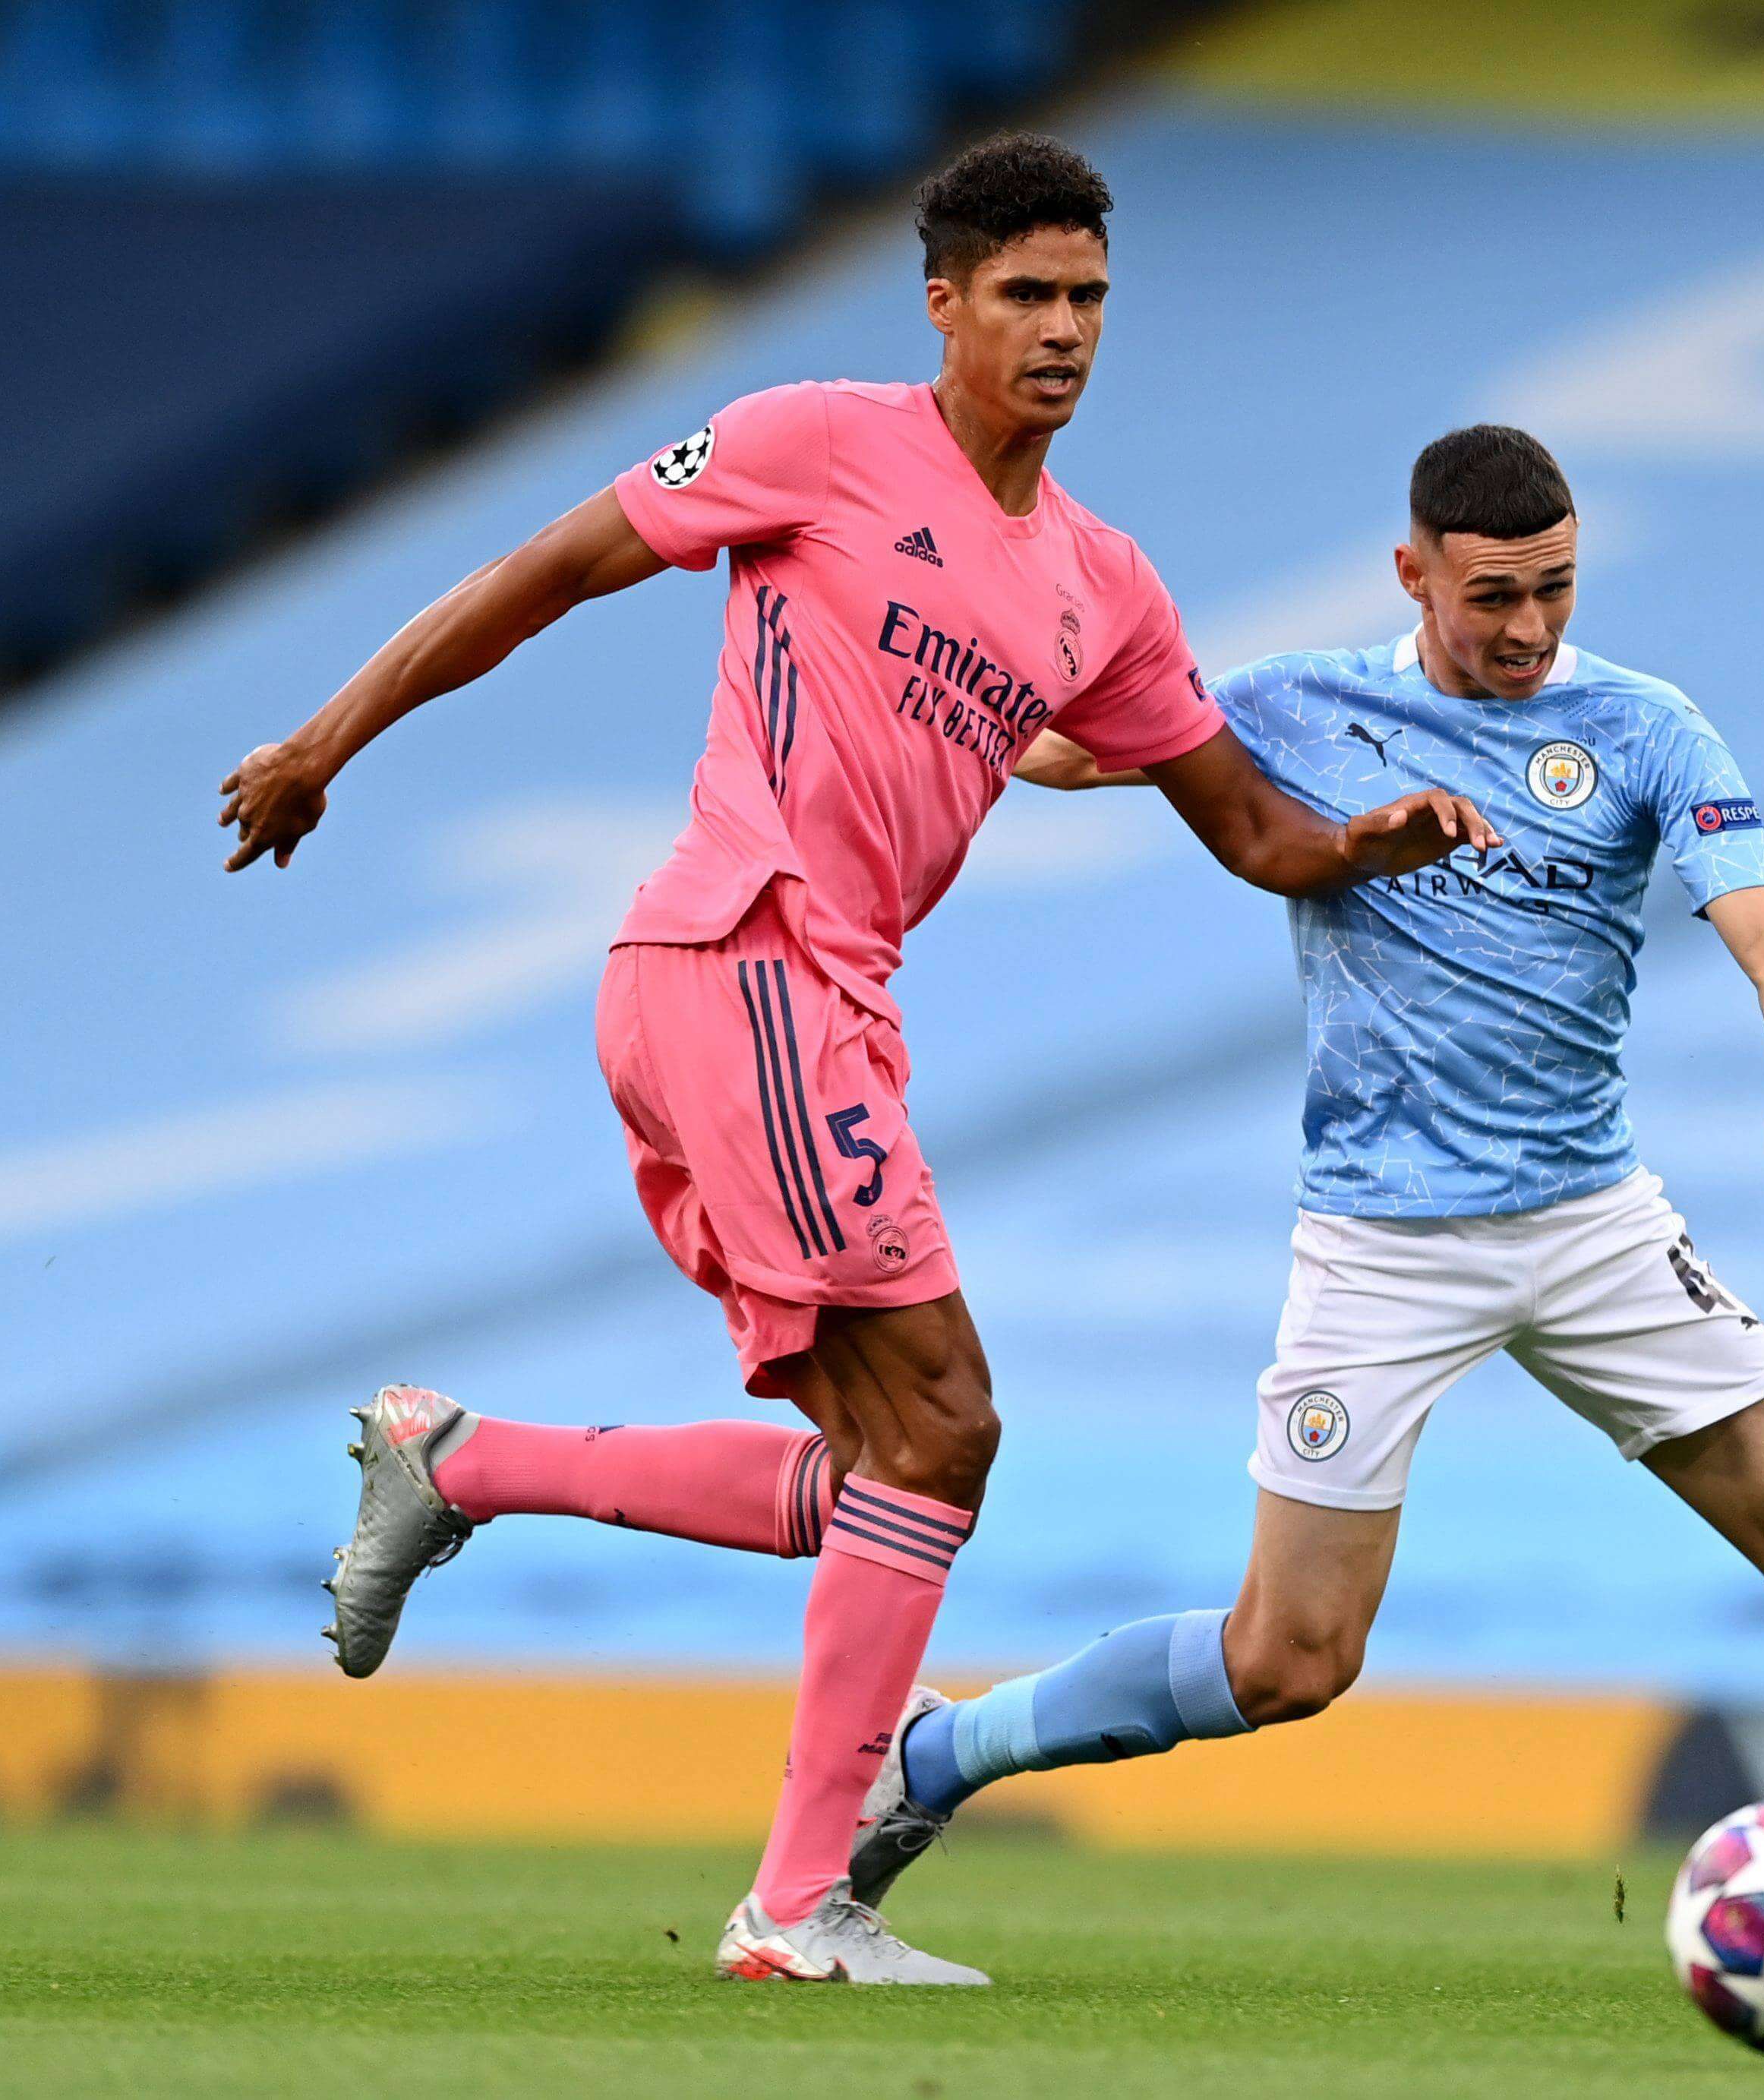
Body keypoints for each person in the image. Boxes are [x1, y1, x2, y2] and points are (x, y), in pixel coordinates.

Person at [215, 135, 1492, 1987]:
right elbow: (548, 565)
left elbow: (1243, 825)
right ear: (944, 305)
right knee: (948, 1427)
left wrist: (1366, 840)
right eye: (1027, 297)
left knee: (886, 1472)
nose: (1062, 334)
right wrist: (329, 737)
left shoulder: (1099, 588)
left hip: (813, 999)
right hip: (738, 954)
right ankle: (798, 1905)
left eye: (1089, 302)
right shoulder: (816, 439)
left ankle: (462, 1463)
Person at [848, 425, 1764, 1997]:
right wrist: (925, 676)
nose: (1528, 629)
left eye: (1552, 590)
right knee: (1288, 1661)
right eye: (1491, 598)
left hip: (1589, 1223)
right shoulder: (1293, 709)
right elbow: (1051, 746)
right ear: (1411, 573)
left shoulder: (1643, 728)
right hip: (1380, 1242)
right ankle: (934, 1751)